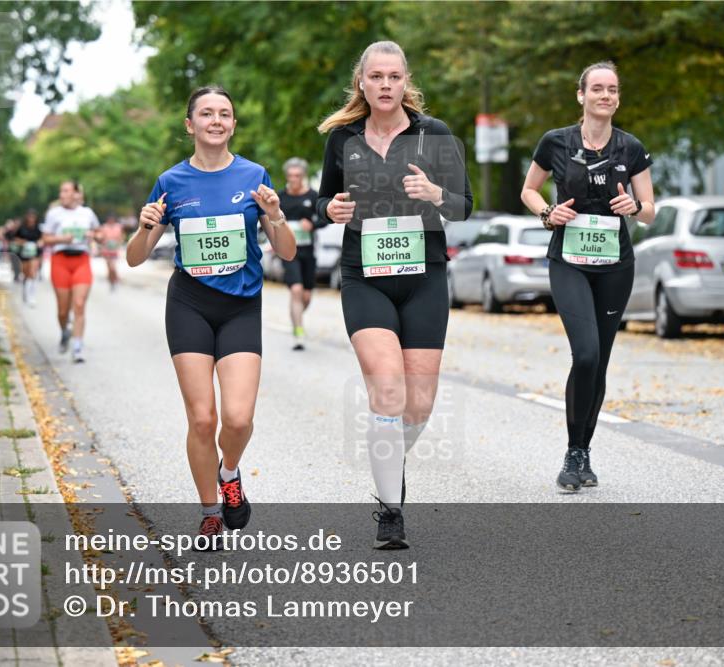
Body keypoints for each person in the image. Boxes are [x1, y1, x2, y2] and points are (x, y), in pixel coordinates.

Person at [317, 41, 472, 549]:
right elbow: (324, 199)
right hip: (365, 275)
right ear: (361, 83)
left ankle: (387, 456)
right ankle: (390, 511)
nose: (385, 85)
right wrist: (330, 211)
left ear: (406, 82)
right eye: (376, 77)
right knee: (387, 391)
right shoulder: (343, 139)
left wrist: (436, 195)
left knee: (418, 405)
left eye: (394, 77)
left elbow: (464, 206)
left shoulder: (435, 135)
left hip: (424, 276)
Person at [126, 85, 296, 546]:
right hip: (190, 304)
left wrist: (276, 215)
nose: (216, 120)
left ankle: (230, 472)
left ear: (233, 124)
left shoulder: (254, 175)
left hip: (241, 304)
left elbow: (286, 252)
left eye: (224, 113)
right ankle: (209, 512)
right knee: (202, 419)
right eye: (206, 113)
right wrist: (143, 228)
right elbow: (134, 258)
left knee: (237, 419)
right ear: (190, 125)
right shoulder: (171, 182)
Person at [520, 61, 656, 492]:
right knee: (586, 355)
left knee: (600, 362)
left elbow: (650, 210)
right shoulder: (556, 142)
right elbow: (528, 189)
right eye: (597, 88)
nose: (605, 96)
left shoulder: (630, 147)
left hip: (615, 266)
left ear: (618, 98)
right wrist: (548, 212)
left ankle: (582, 453)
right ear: (581, 95)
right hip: (569, 262)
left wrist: (635, 207)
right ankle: (572, 453)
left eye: (612, 89)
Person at [41, 180, 101, 363]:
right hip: (60, 261)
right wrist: (62, 239)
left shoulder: (87, 213)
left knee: (79, 304)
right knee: (62, 310)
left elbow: (100, 234)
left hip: (81, 260)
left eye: (66, 191)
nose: (62, 194)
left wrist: (93, 235)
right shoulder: (54, 214)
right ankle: (64, 332)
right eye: (61, 191)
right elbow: (45, 239)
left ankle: (77, 348)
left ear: (76, 194)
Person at [278, 157, 323, 350]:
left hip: (307, 251)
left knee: (306, 296)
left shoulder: (313, 196)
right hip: (289, 252)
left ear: (303, 176)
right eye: (290, 175)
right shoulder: (280, 197)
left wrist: (312, 224)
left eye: (297, 175)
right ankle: (299, 332)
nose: (293, 179)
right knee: (296, 290)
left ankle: (296, 316)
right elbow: (269, 220)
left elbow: (325, 218)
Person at [6, 209, 43, 306]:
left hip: (35, 253)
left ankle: (32, 295)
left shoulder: (38, 228)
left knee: (33, 272)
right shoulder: (21, 228)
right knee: (26, 274)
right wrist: (23, 242)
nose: (31, 219)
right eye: (30, 217)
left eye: (33, 217)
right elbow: (14, 238)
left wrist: (38, 243)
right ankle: (26, 292)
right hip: (23, 253)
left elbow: (42, 238)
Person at [98, 214, 125, 291]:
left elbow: (122, 236)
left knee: (113, 267)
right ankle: (111, 282)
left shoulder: (118, 226)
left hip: (115, 250)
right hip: (106, 250)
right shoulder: (104, 227)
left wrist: (119, 244)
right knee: (109, 268)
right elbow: (101, 237)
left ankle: (115, 280)